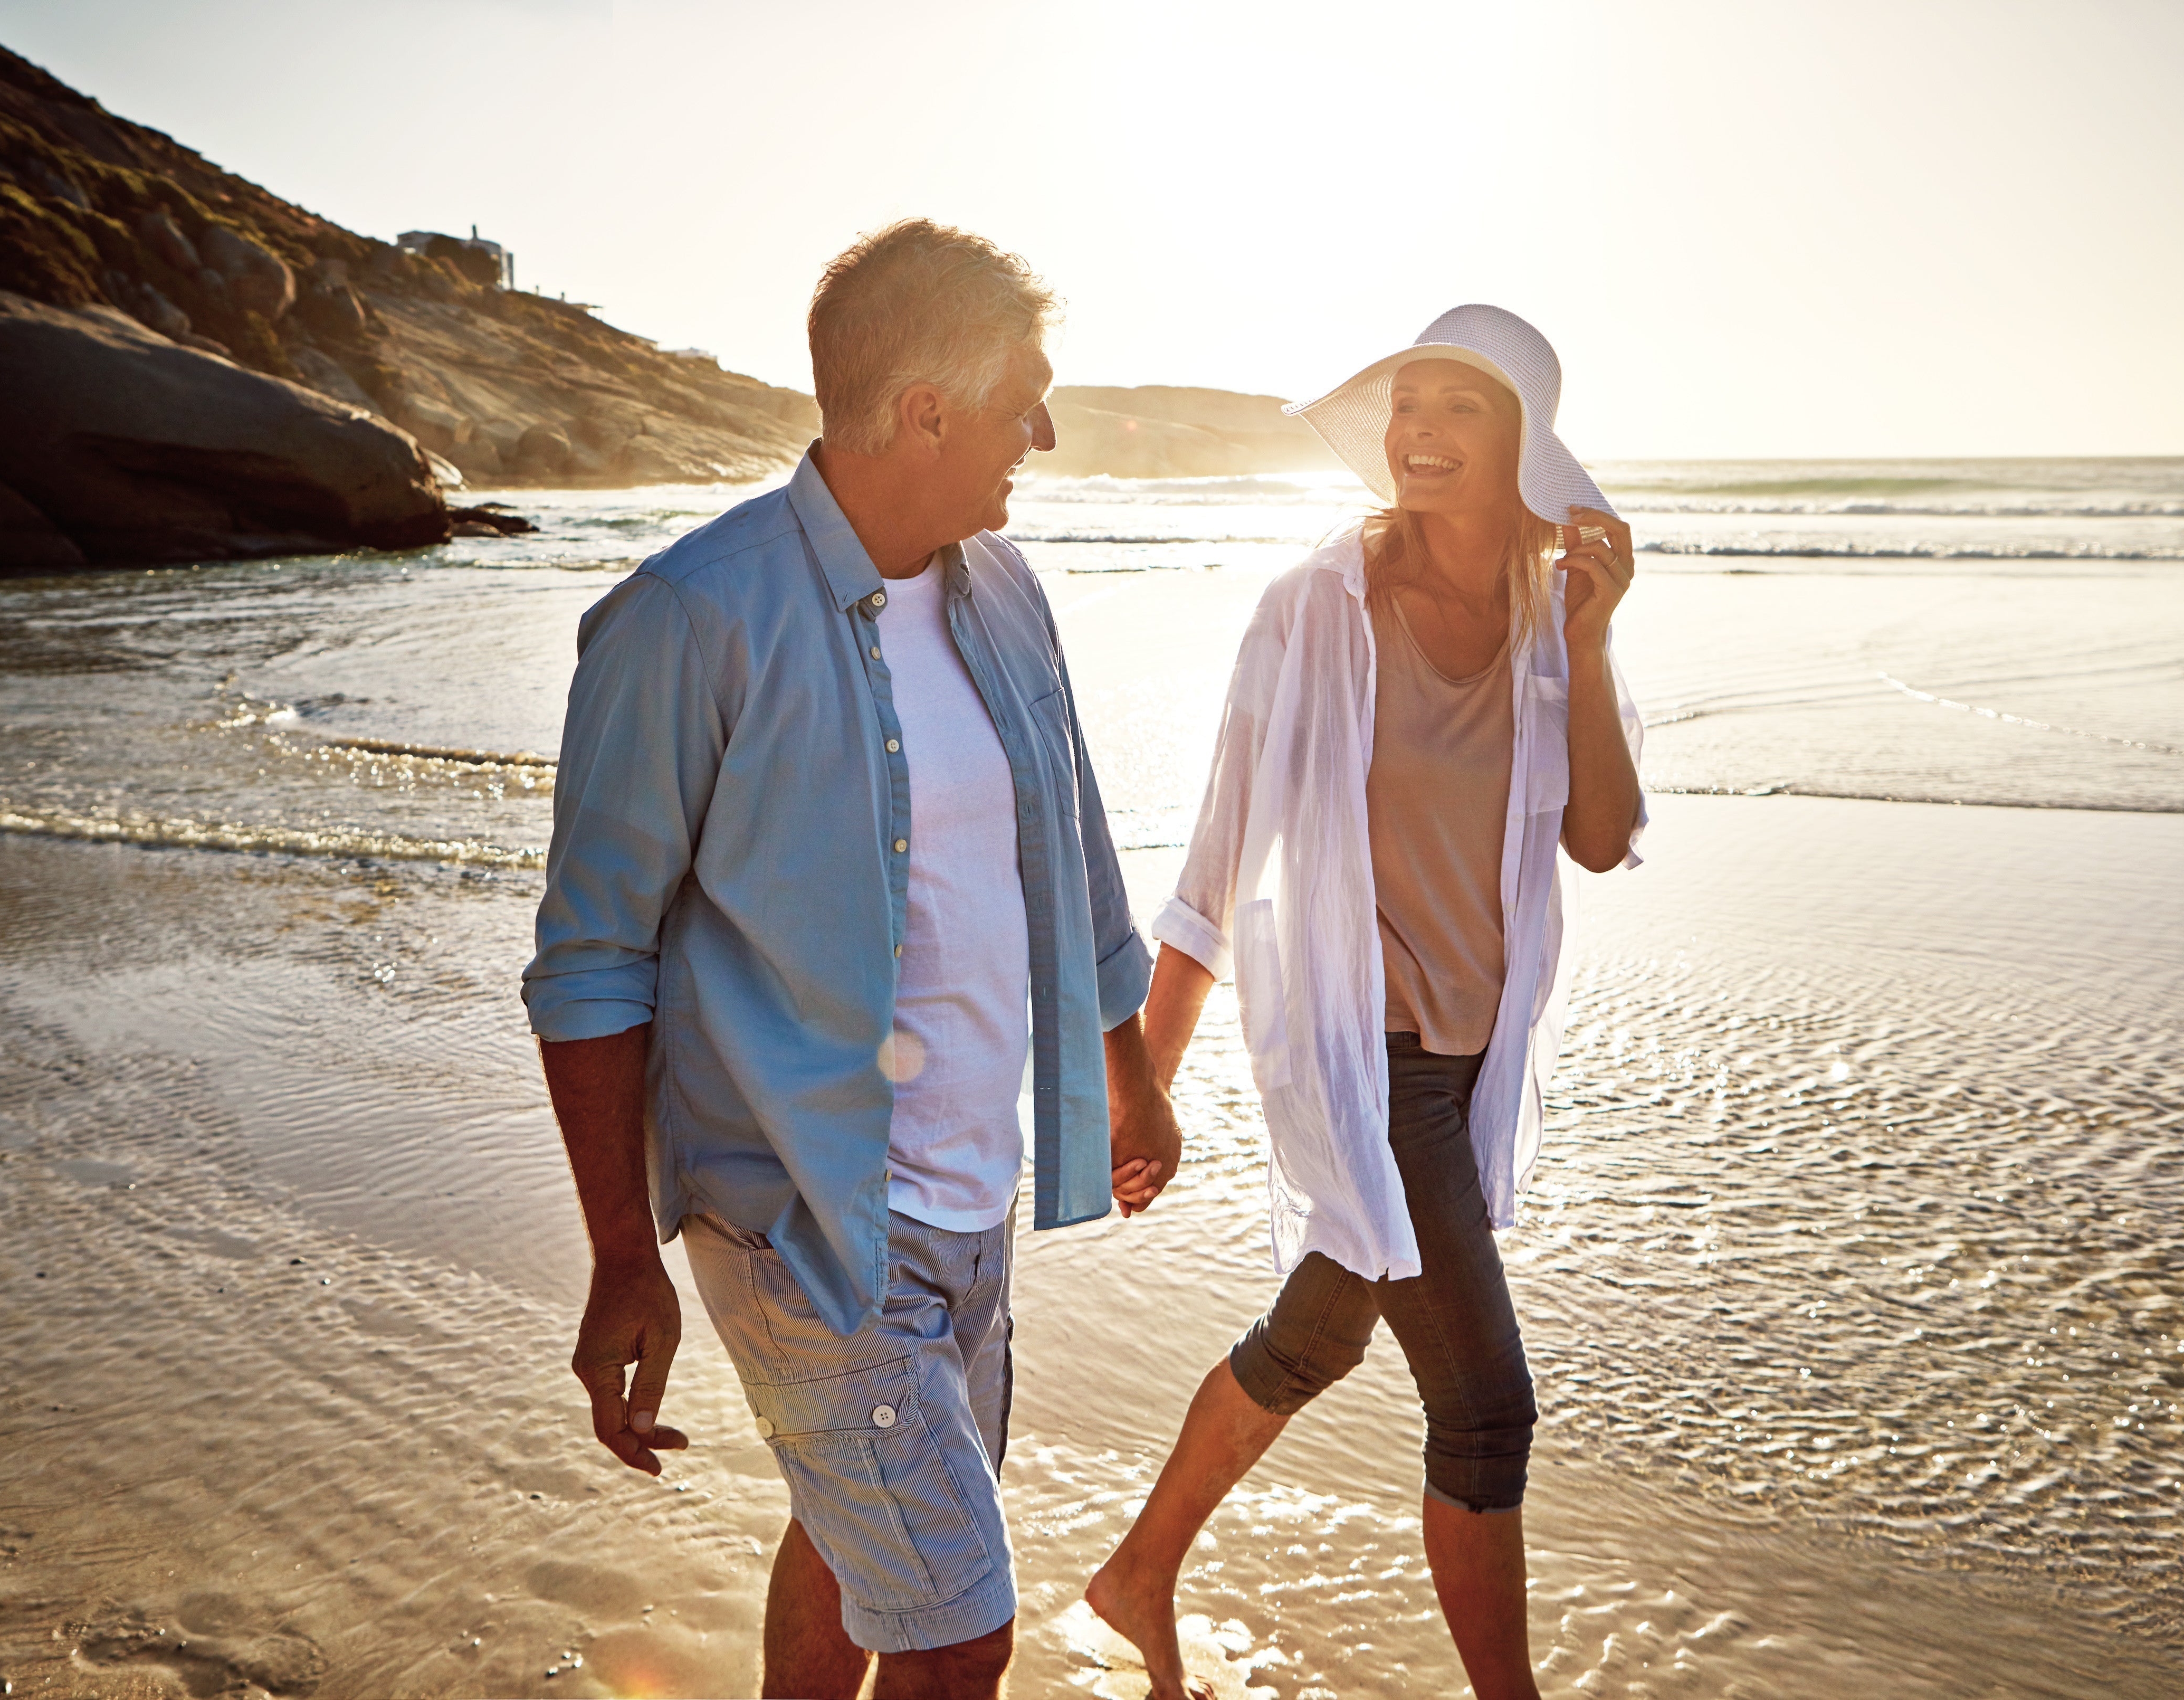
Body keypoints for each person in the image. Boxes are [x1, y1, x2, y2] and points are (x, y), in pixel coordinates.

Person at [524, 219, 1182, 1700]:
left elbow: (1072, 856)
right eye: (1025, 396)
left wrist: (1129, 1075)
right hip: (797, 1219)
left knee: (856, 1545)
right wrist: (623, 1257)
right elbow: (591, 962)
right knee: (961, 1629)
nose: (1048, 431)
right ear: (927, 410)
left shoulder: (1007, 595)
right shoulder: (688, 620)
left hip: (969, 1199)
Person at [1084, 305, 1647, 1699]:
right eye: (1409, 402)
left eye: (1461, 407)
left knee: (1317, 1335)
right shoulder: (1313, 614)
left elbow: (1600, 833)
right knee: (1486, 1412)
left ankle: (1137, 1574)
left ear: (1522, 444)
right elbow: (1213, 870)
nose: (1420, 432)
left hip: (1465, 1072)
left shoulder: (1545, 617)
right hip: (1372, 1068)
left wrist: (1594, 641)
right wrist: (1142, 1086)